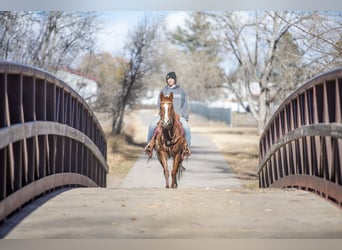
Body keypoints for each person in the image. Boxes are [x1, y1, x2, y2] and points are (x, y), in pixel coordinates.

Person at [144, 71, 191, 157]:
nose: (170, 80)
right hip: (164, 116)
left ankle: (187, 147)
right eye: (168, 79)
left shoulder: (181, 91)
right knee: (152, 126)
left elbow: (185, 104)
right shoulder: (163, 91)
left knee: (186, 128)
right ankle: (149, 145)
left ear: (175, 80)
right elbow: (159, 104)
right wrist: (162, 115)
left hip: (178, 116)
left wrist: (185, 117)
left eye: (172, 78)